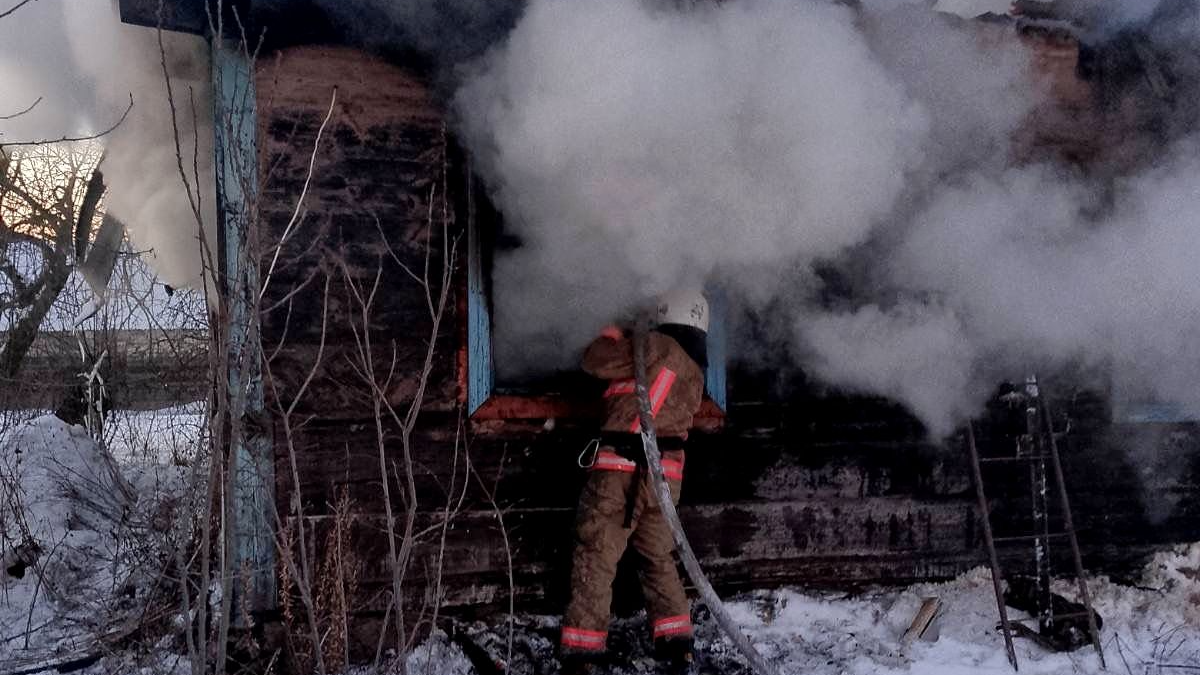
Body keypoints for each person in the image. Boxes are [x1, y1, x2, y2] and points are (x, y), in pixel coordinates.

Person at [560, 289, 710, 675]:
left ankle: (583, 650)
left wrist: (612, 333)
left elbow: (594, 361)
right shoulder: (695, 368)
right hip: (665, 478)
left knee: (596, 552)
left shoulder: (655, 346)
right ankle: (677, 642)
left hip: (620, 470)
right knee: (657, 556)